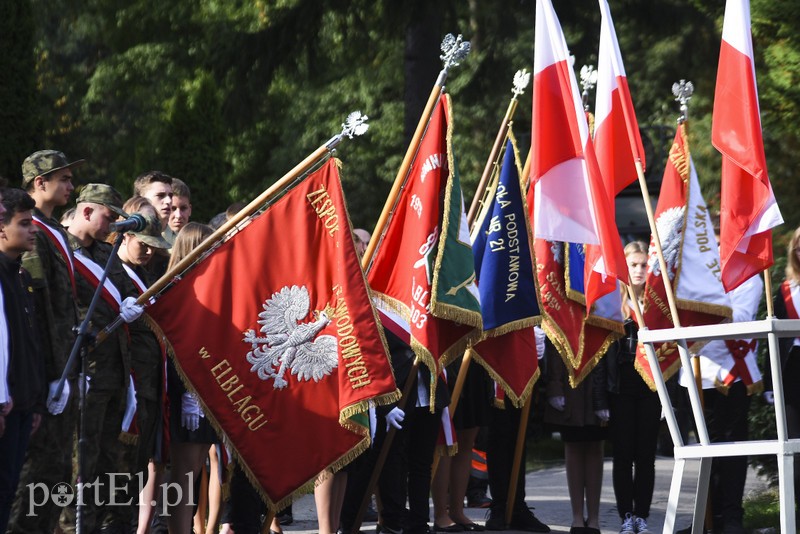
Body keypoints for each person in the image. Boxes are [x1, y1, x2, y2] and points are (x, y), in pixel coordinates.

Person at [59, 184, 144, 534]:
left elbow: (126, 291)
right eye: (109, 216)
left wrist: (129, 306)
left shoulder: (101, 253)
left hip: (114, 373)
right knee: (80, 466)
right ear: (88, 211)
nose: (113, 225)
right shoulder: (60, 250)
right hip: (84, 372)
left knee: (109, 463)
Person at [8, 150, 82, 534]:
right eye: (64, 179)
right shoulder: (31, 231)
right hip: (48, 371)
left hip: (64, 367)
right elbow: (37, 308)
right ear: (40, 183)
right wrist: (53, 373)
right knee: (36, 474)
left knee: (55, 474)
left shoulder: (54, 232)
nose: (71, 186)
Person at [681, 270, 763, 534]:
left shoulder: (747, 274)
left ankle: (731, 517)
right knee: (707, 451)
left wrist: (702, 309)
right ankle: (707, 520)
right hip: (696, 373)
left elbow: (741, 319)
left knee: (733, 450)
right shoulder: (694, 268)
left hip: (733, 373)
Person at [113, 196, 171, 533]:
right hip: (127, 387)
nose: (149, 251)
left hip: (149, 386)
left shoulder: (143, 275)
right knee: (120, 472)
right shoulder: (113, 272)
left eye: (153, 245)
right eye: (143, 244)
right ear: (126, 235)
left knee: (139, 469)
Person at [164, 222, 220, 534]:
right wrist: (186, 393)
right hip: (186, 392)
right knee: (183, 473)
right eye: (207, 246)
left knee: (196, 469)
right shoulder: (175, 290)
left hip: (206, 389)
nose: (213, 252)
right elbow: (177, 347)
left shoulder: (205, 287)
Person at [600, 241, 659, 534]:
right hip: (621, 386)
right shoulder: (613, 303)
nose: (638, 270)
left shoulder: (658, 304)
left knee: (645, 455)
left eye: (643, 265)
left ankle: (642, 516)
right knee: (623, 454)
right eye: (632, 265)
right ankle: (626, 515)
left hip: (650, 386)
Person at [0, 188, 45, 532]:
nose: (33, 230)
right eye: (25, 223)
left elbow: (28, 345)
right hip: (5, 403)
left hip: (22, 404)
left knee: (8, 488)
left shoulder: (21, 276)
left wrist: (35, 401)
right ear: (2, 229)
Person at [484, 327, 550, 533]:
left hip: (521, 348)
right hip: (493, 348)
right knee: (499, 435)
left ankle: (517, 505)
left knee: (518, 434)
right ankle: (500, 505)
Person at [544, 337, 608, 534]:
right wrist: (555, 385)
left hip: (598, 379)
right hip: (570, 379)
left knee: (595, 446)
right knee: (573, 445)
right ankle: (577, 517)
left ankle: (594, 518)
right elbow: (554, 339)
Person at [431, 358, 492, 532]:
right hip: (446, 364)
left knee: (466, 441)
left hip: (473, 363)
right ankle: (441, 513)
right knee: (445, 442)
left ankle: (457, 511)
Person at [767, 225, 800, 516]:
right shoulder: (786, 289)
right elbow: (774, 341)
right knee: (793, 442)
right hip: (792, 371)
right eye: (799, 247)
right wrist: (770, 383)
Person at [166, 177, 192, 245]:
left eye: (183, 208)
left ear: (190, 210)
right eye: (173, 209)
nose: (178, 215)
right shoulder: (153, 244)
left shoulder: (200, 240)